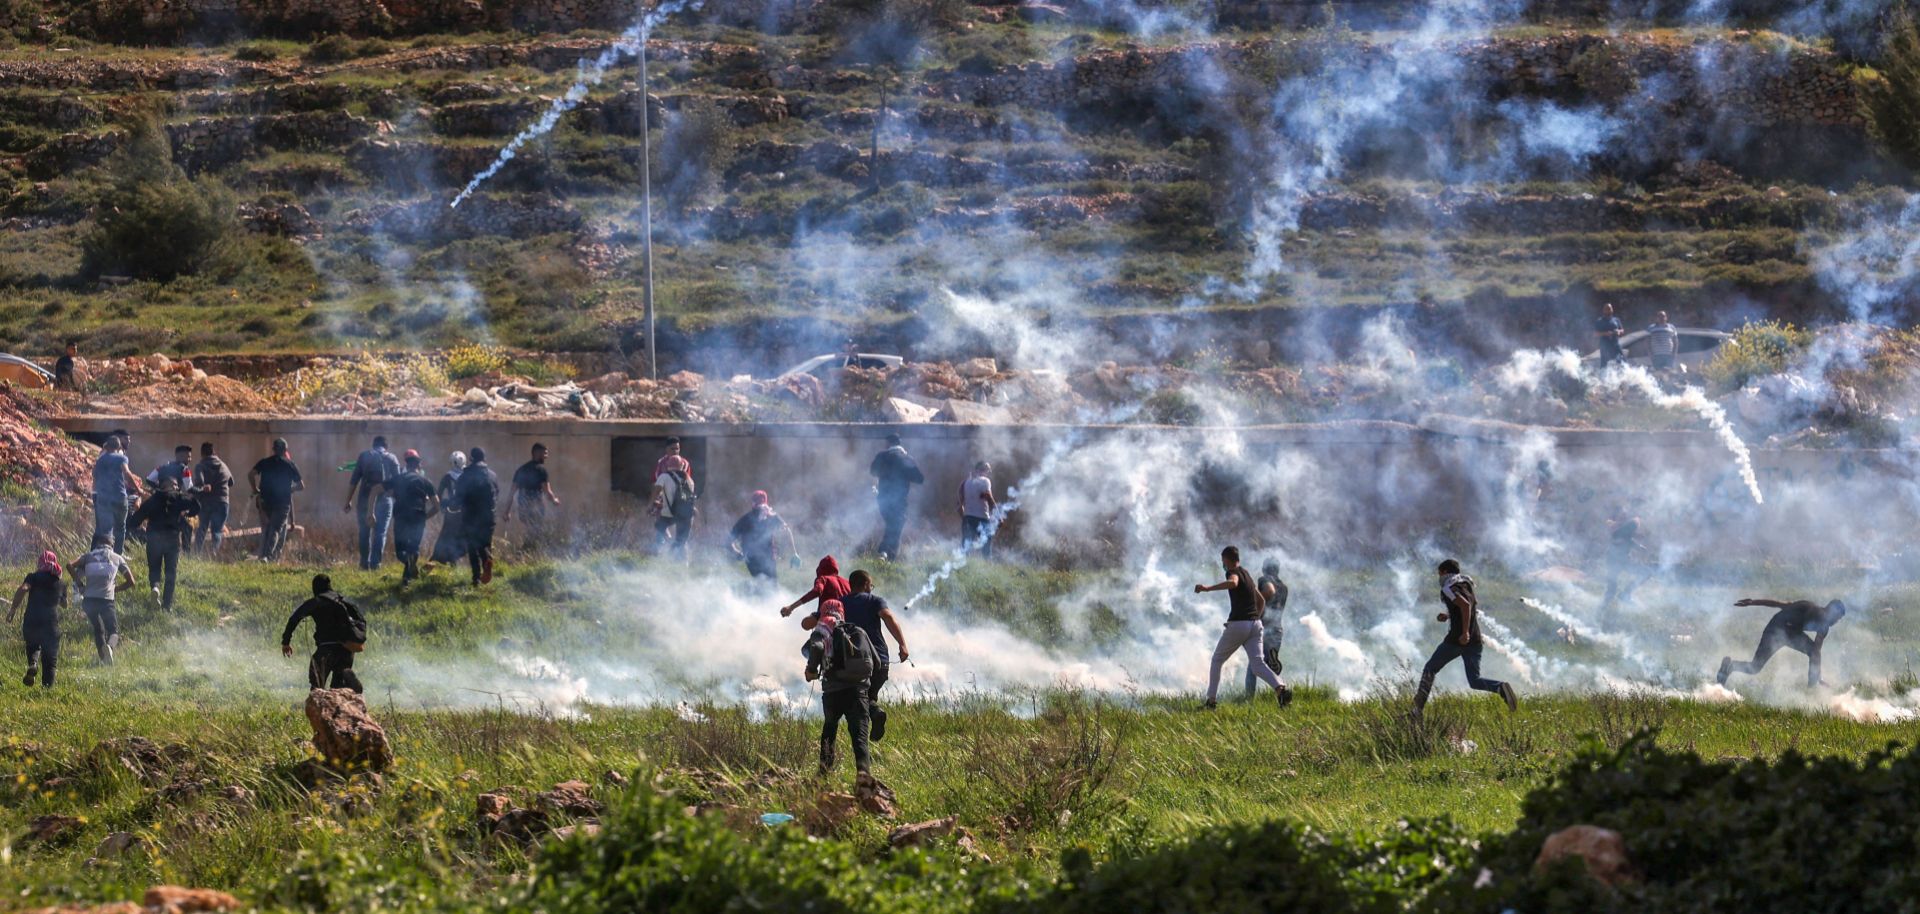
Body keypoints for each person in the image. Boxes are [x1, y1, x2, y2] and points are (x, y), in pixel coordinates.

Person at [1412, 559, 1518, 718]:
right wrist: (1449, 616)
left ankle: (1416, 711)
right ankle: (1501, 688)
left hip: (1457, 640)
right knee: (1474, 681)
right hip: (1475, 640)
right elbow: (1469, 606)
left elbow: (1465, 606)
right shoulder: (1466, 584)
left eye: (1440, 573)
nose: (1439, 577)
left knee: (1430, 669)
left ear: (1445, 572)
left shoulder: (1448, 587)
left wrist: (1464, 632)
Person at [1193, 546, 1291, 710]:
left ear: (1227, 559)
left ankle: (1210, 702)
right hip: (1256, 625)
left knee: (1217, 660)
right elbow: (1261, 601)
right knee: (1258, 664)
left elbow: (1233, 583)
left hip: (1240, 624)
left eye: (1223, 560)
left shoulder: (1234, 573)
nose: (1222, 564)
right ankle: (1281, 690)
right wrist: (1254, 618)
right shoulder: (1248, 575)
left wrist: (1207, 588)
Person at [804, 597, 879, 778]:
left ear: (823, 612)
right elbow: (876, 662)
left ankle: (824, 775)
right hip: (858, 692)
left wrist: (811, 670)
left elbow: (817, 647)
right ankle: (863, 778)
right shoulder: (858, 631)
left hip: (833, 692)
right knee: (859, 737)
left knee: (829, 730)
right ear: (842, 612)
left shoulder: (821, 631)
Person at [831, 569, 908, 742]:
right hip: (880, 662)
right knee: (865, 698)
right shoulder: (875, 601)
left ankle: (872, 718)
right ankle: (874, 714)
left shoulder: (840, 603)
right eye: (870, 585)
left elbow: (818, 620)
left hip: (852, 663)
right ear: (866, 584)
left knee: (857, 701)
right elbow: (888, 617)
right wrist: (902, 644)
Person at [1716, 598, 1847, 688]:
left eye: (1840, 619)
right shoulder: (1809, 607)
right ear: (1831, 610)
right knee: (1755, 667)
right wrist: (1752, 602)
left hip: (1791, 636)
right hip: (1775, 631)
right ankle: (1730, 666)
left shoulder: (1824, 628)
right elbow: (1779, 604)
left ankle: (1811, 690)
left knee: (1813, 652)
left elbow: (1816, 653)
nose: (1837, 621)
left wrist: (1818, 677)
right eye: (1837, 616)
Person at [280, 573, 367, 693]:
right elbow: (361, 621)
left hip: (326, 649)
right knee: (338, 688)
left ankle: (321, 706)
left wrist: (286, 642)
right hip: (347, 650)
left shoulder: (316, 601)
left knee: (317, 686)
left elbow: (294, 619)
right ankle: (348, 690)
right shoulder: (342, 600)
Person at [127, 477, 198, 611]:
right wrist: (188, 513)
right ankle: (167, 606)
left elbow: (134, 521)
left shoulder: (152, 500)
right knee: (171, 572)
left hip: (154, 539)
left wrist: (139, 529)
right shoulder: (179, 497)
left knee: (154, 569)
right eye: (177, 485)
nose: (178, 488)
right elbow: (197, 505)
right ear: (173, 486)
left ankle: (155, 587)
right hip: (172, 540)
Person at [70, 535, 133, 665]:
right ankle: (109, 647)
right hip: (106, 600)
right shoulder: (117, 558)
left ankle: (104, 660)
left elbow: (69, 565)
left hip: (89, 599)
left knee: (98, 630)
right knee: (114, 632)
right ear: (111, 545)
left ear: (97, 544)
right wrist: (116, 589)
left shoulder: (87, 556)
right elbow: (131, 581)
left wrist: (80, 584)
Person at [9, 552, 67, 687]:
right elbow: (64, 604)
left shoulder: (33, 577)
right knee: (50, 659)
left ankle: (33, 663)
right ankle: (47, 689)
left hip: (32, 619)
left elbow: (23, 589)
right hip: (51, 622)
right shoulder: (61, 582)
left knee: (33, 645)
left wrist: (13, 609)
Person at [344, 436, 400, 571]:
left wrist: (348, 500)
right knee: (380, 533)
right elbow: (399, 483)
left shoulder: (364, 456)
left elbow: (354, 480)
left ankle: (364, 563)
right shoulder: (392, 458)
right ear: (386, 446)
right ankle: (376, 564)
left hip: (364, 498)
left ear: (373, 445)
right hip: (385, 499)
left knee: (364, 532)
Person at [387, 450, 440, 586]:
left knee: (401, 551)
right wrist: (426, 517)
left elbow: (385, 491)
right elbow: (437, 505)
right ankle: (408, 576)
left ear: (406, 463)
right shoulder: (425, 481)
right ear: (419, 464)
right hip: (418, 515)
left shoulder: (398, 479)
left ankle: (407, 575)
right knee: (413, 547)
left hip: (401, 516)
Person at [869, 433, 924, 560]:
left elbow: (873, 471)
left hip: (883, 499)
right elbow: (919, 479)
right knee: (895, 525)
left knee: (892, 525)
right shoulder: (906, 459)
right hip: (900, 501)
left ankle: (888, 556)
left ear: (888, 444)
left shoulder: (881, 456)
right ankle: (884, 552)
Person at [249, 438, 304, 561]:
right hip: (282, 504)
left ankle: (265, 556)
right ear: (285, 450)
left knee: (267, 529)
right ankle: (267, 557)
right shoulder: (290, 464)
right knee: (275, 529)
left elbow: (251, 474)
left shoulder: (264, 462)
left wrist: (255, 489)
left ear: (273, 449)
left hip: (265, 502)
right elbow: (301, 486)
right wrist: (290, 489)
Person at [503, 443, 561, 551]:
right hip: (536, 507)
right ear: (537, 453)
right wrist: (554, 500)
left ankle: (527, 552)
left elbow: (511, 493)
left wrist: (506, 511)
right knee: (536, 532)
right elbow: (547, 491)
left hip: (523, 508)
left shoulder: (521, 470)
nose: (546, 456)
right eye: (545, 453)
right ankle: (529, 551)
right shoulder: (541, 470)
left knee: (531, 530)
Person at [92, 432, 143, 554]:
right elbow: (126, 473)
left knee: (105, 529)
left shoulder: (100, 460)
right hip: (120, 497)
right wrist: (138, 489)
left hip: (104, 499)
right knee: (120, 528)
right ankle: (118, 556)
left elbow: (94, 475)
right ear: (119, 447)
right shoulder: (121, 458)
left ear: (106, 447)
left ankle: (102, 554)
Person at [729, 490, 796, 581]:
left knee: (768, 586)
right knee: (765, 585)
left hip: (767, 558)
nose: (760, 510)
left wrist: (794, 553)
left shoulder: (771, 516)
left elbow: (786, 530)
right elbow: (730, 539)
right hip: (753, 558)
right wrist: (737, 553)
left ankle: (745, 592)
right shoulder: (747, 519)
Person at [455, 447, 500, 586]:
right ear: (484, 458)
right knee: (485, 544)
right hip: (489, 516)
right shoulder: (492, 475)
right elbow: (497, 494)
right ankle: (487, 559)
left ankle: (476, 578)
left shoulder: (465, 475)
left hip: (470, 516)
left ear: (470, 458)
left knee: (473, 546)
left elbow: (459, 497)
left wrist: (452, 505)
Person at [1245, 560, 1288, 699]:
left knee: (1254, 664)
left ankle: (1248, 698)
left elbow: (1269, 591)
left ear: (1265, 569)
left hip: (1263, 628)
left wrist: (1254, 605)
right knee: (1265, 665)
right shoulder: (1284, 587)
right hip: (1277, 630)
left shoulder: (1264, 580)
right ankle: (1281, 690)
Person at [651, 439, 696, 559]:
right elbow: (658, 484)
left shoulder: (685, 463)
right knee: (661, 531)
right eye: (672, 448)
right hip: (665, 502)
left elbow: (687, 485)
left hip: (680, 503)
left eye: (677, 448)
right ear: (666, 449)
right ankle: (660, 558)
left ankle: (680, 560)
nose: (675, 451)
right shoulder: (662, 463)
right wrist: (658, 502)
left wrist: (689, 502)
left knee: (681, 536)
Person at [1598, 507, 1647, 618]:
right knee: (1611, 589)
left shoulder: (1623, 532)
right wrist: (1638, 546)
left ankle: (1625, 594)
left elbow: (1629, 539)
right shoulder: (1618, 532)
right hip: (1614, 562)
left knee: (1645, 573)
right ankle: (1601, 612)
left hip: (1621, 562)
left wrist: (1638, 545)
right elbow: (1622, 539)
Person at [146, 445, 196, 552]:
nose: (190, 459)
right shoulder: (184, 469)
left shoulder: (162, 467)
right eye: (188, 457)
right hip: (173, 503)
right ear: (181, 456)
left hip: (159, 502)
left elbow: (149, 479)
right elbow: (190, 488)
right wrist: (201, 490)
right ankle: (187, 556)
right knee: (187, 528)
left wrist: (159, 489)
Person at [192, 441, 234, 552]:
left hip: (206, 502)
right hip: (222, 502)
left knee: (202, 529)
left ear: (202, 453)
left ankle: (196, 555)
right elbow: (231, 482)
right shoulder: (223, 465)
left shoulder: (200, 466)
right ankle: (214, 553)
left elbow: (200, 482)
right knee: (217, 530)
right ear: (214, 452)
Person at [780, 556, 850, 619]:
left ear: (821, 569)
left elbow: (817, 591)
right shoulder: (847, 582)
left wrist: (791, 607)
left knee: (806, 623)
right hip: (847, 622)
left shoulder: (823, 579)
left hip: (828, 622)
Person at [430, 451, 468, 565]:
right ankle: (455, 562)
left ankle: (447, 561)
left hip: (452, 512)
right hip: (466, 512)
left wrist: (443, 506)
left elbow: (439, 495)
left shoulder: (448, 476)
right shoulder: (469, 474)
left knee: (447, 537)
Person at [959, 461, 996, 558]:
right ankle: (987, 568)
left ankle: (962, 569)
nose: (988, 473)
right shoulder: (985, 481)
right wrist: (999, 515)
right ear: (983, 470)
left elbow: (959, 505)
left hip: (968, 518)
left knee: (965, 548)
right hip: (982, 518)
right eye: (987, 471)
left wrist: (965, 518)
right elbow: (989, 497)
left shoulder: (964, 483)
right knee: (986, 549)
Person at [1594, 303, 1625, 368]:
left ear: (1612, 310)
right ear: (1603, 310)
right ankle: (1602, 376)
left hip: (1615, 344)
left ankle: (1625, 375)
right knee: (1604, 364)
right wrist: (1606, 333)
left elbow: (1622, 330)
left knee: (1623, 362)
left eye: (1609, 308)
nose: (1608, 310)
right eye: (1606, 309)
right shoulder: (1600, 321)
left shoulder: (1616, 320)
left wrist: (1618, 331)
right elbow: (1596, 333)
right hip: (1605, 345)